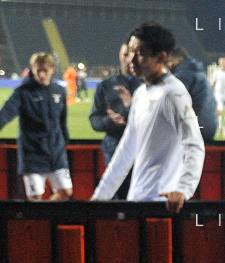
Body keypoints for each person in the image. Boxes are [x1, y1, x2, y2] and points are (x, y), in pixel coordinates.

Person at [90, 22, 205, 213]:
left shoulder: (173, 94)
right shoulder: (141, 93)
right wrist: (100, 196)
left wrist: (184, 189)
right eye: (131, 52)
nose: (131, 60)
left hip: (161, 204)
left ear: (161, 58)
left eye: (140, 53)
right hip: (138, 199)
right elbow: (126, 150)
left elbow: (194, 145)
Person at [0, 52, 72, 200]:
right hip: (32, 155)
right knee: (35, 199)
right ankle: (41, 213)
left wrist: (64, 140)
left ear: (52, 69)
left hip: (56, 154)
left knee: (66, 192)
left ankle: (45, 212)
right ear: (32, 69)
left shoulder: (59, 91)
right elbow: (6, 113)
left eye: (45, 70)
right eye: (38, 70)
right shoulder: (23, 92)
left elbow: (62, 121)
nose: (41, 74)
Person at [89, 42, 142, 198]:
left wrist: (131, 107)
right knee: (118, 198)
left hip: (141, 150)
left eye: (133, 54)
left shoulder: (147, 85)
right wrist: (109, 121)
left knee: (141, 197)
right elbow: (94, 120)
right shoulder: (105, 86)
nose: (129, 59)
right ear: (120, 56)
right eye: (125, 54)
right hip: (114, 149)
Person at [167, 46, 218, 143]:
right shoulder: (197, 71)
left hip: (196, 130)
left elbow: (173, 103)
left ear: (177, 59)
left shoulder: (183, 75)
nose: (168, 64)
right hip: (209, 126)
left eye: (170, 61)